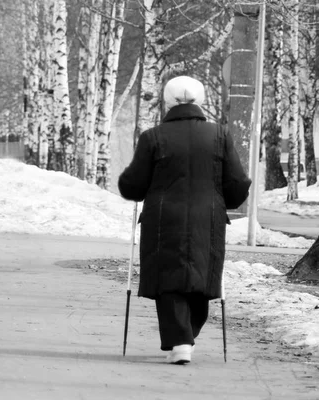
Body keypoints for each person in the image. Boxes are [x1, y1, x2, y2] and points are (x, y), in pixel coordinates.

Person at [118, 76, 251, 365]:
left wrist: (130, 186)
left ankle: (180, 340)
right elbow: (238, 182)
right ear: (200, 101)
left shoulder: (153, 137)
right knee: (200, 277)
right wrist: (223, 200)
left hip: (163, 218)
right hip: (208, 217)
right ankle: (186, 335)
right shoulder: (220, 135)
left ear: (167, 102)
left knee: (169, 277)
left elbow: (133, 184)